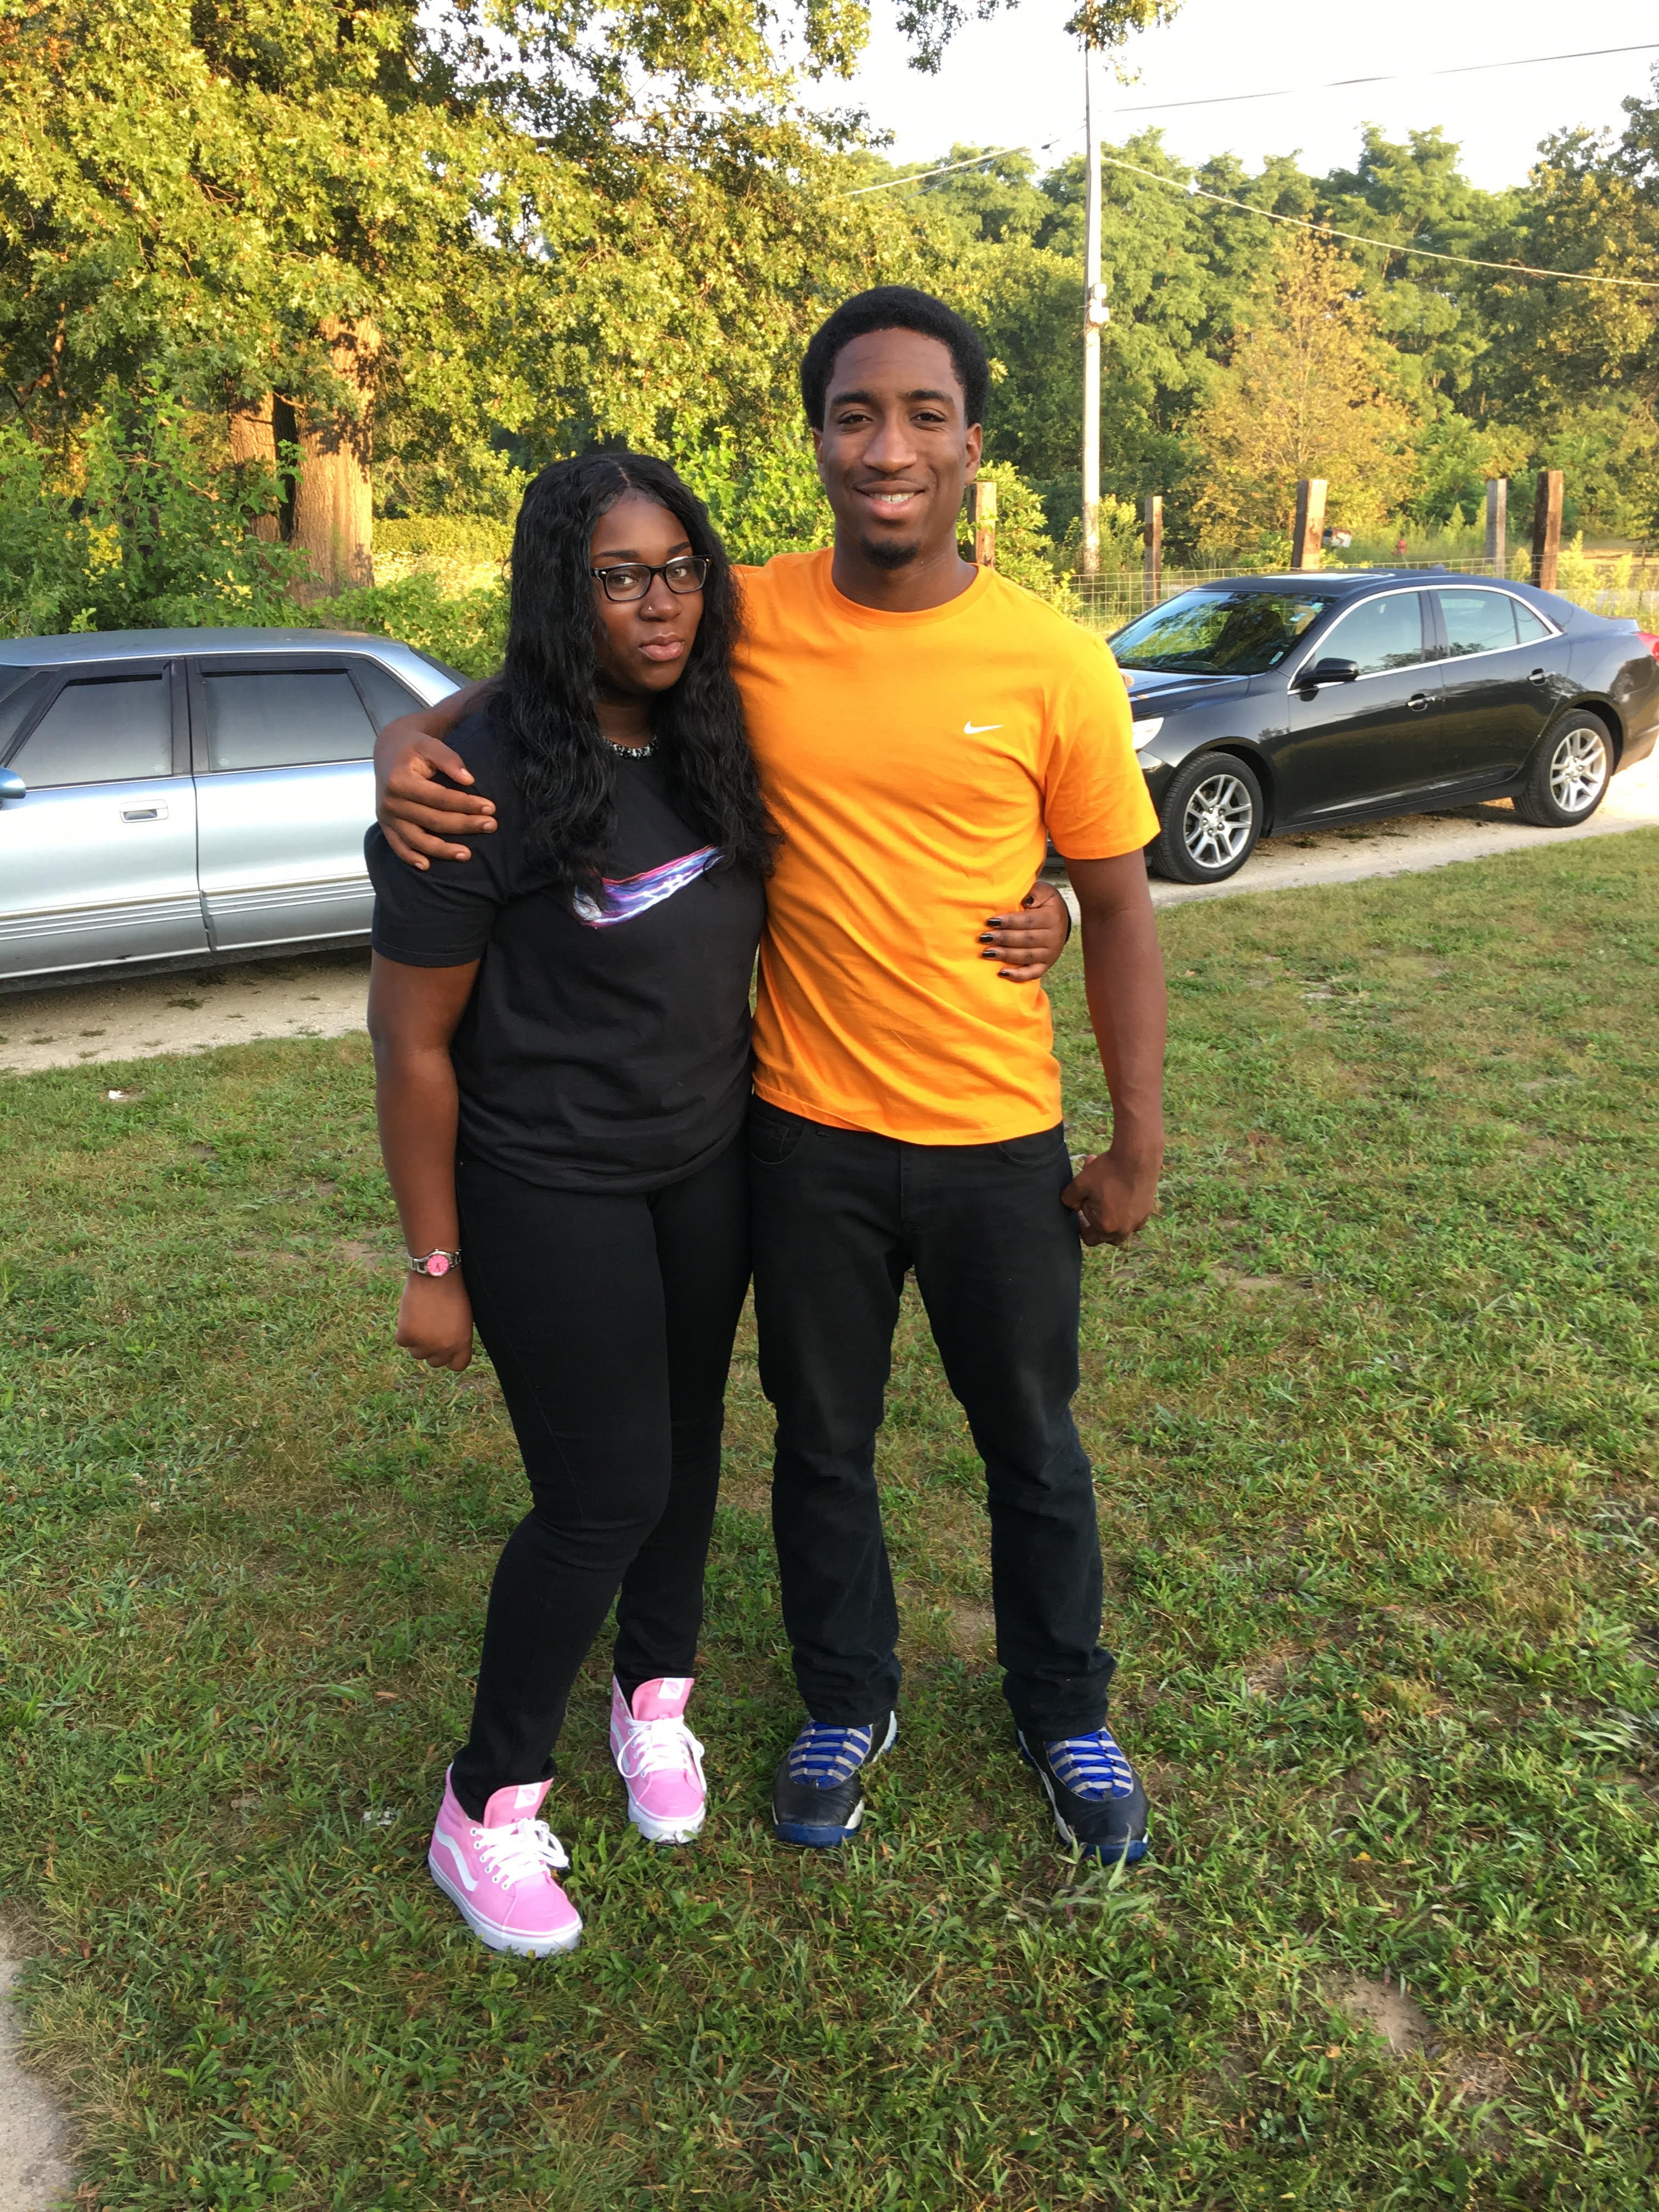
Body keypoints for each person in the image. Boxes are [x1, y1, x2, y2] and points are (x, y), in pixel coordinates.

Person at [375, 286, 1167, 1868]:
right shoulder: (748, 612)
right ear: (817, 442)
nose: (889, 448)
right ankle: (844, 1700)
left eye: (924, 415)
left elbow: (1120, 898)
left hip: (999, 1134)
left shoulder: (1056, 659)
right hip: (798, 1134)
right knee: (822, 1444)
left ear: (974, 445)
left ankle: (1065, 1707)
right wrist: (404, 742)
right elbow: (560, 658)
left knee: (1032, 1440)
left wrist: (1133, 1129)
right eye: (855, 415)